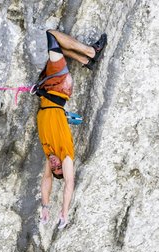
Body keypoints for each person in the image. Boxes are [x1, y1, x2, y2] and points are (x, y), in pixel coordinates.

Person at [37, 29, 107, 229]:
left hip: (48, 89)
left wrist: (45, 206)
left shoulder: (49, 151)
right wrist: (64, 213)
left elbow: (46, 180)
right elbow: (68, 183)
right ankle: (91, 52)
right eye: (59, 168)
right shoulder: (64, 153)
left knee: (56, 46)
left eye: (54, 168)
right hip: (59, 87)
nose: (54, 165)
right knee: (52, 36)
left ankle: (87, 62)